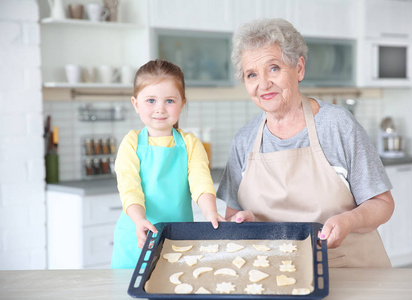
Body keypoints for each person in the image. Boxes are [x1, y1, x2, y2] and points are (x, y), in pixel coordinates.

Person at [217, 18, 395, 268]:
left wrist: (348, 221)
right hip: (274, 274)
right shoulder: (244, 140)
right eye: (252, 74)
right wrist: (242, 220)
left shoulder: (337, 125)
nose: (263, 84)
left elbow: (383, 204)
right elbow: (233, 214)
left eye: (274, 68)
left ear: (299, 68)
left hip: (347, 269)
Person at [111, 59, 225, 269]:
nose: (160, 109)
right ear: (136, 104)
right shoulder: (131, 143)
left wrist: (210, 212)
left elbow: (201, 182)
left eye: (170, 101)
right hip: (137, 236)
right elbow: (130, 188)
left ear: (182, 103)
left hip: (178, 239)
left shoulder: (191, 144)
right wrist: (139, 220)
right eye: (151, 100)